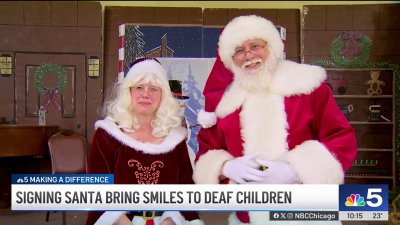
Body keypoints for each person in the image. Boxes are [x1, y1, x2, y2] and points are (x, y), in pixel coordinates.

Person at [193, 15, 357, 224]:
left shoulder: (307, 87)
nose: (249, 55)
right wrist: (225, 167)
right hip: (245, 215)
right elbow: (207, 151)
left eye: (255, 46)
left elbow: (342, 139)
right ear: (231, 60)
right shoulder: (226, 103)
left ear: (271, 47)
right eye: (239, 51)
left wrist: (295, 170)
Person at [86, 58, 204, 225]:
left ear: (163, 95)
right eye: (139, 87)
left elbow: (186, 190)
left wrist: (170, 220)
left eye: (154, 89)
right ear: (129, 92)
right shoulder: (107, 135)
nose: (146, 94)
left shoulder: (175, 139)